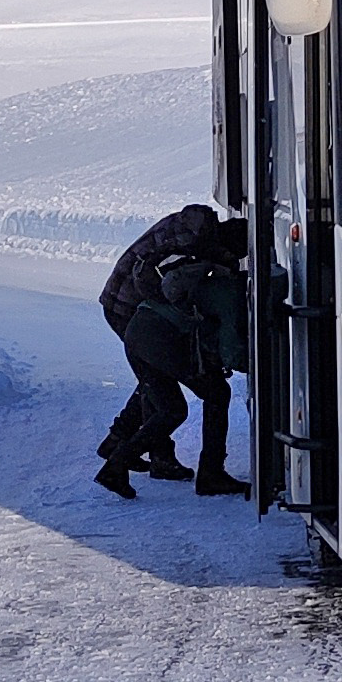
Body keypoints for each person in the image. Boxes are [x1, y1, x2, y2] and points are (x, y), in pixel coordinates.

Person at [95, 202, 247, 501]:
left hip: (139, 322)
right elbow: (231, 349)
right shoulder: (215, 275)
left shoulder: (191, 236)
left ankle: (117, 457)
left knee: (168, 404)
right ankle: (208, 473)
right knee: (214, 393)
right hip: (131, 311)